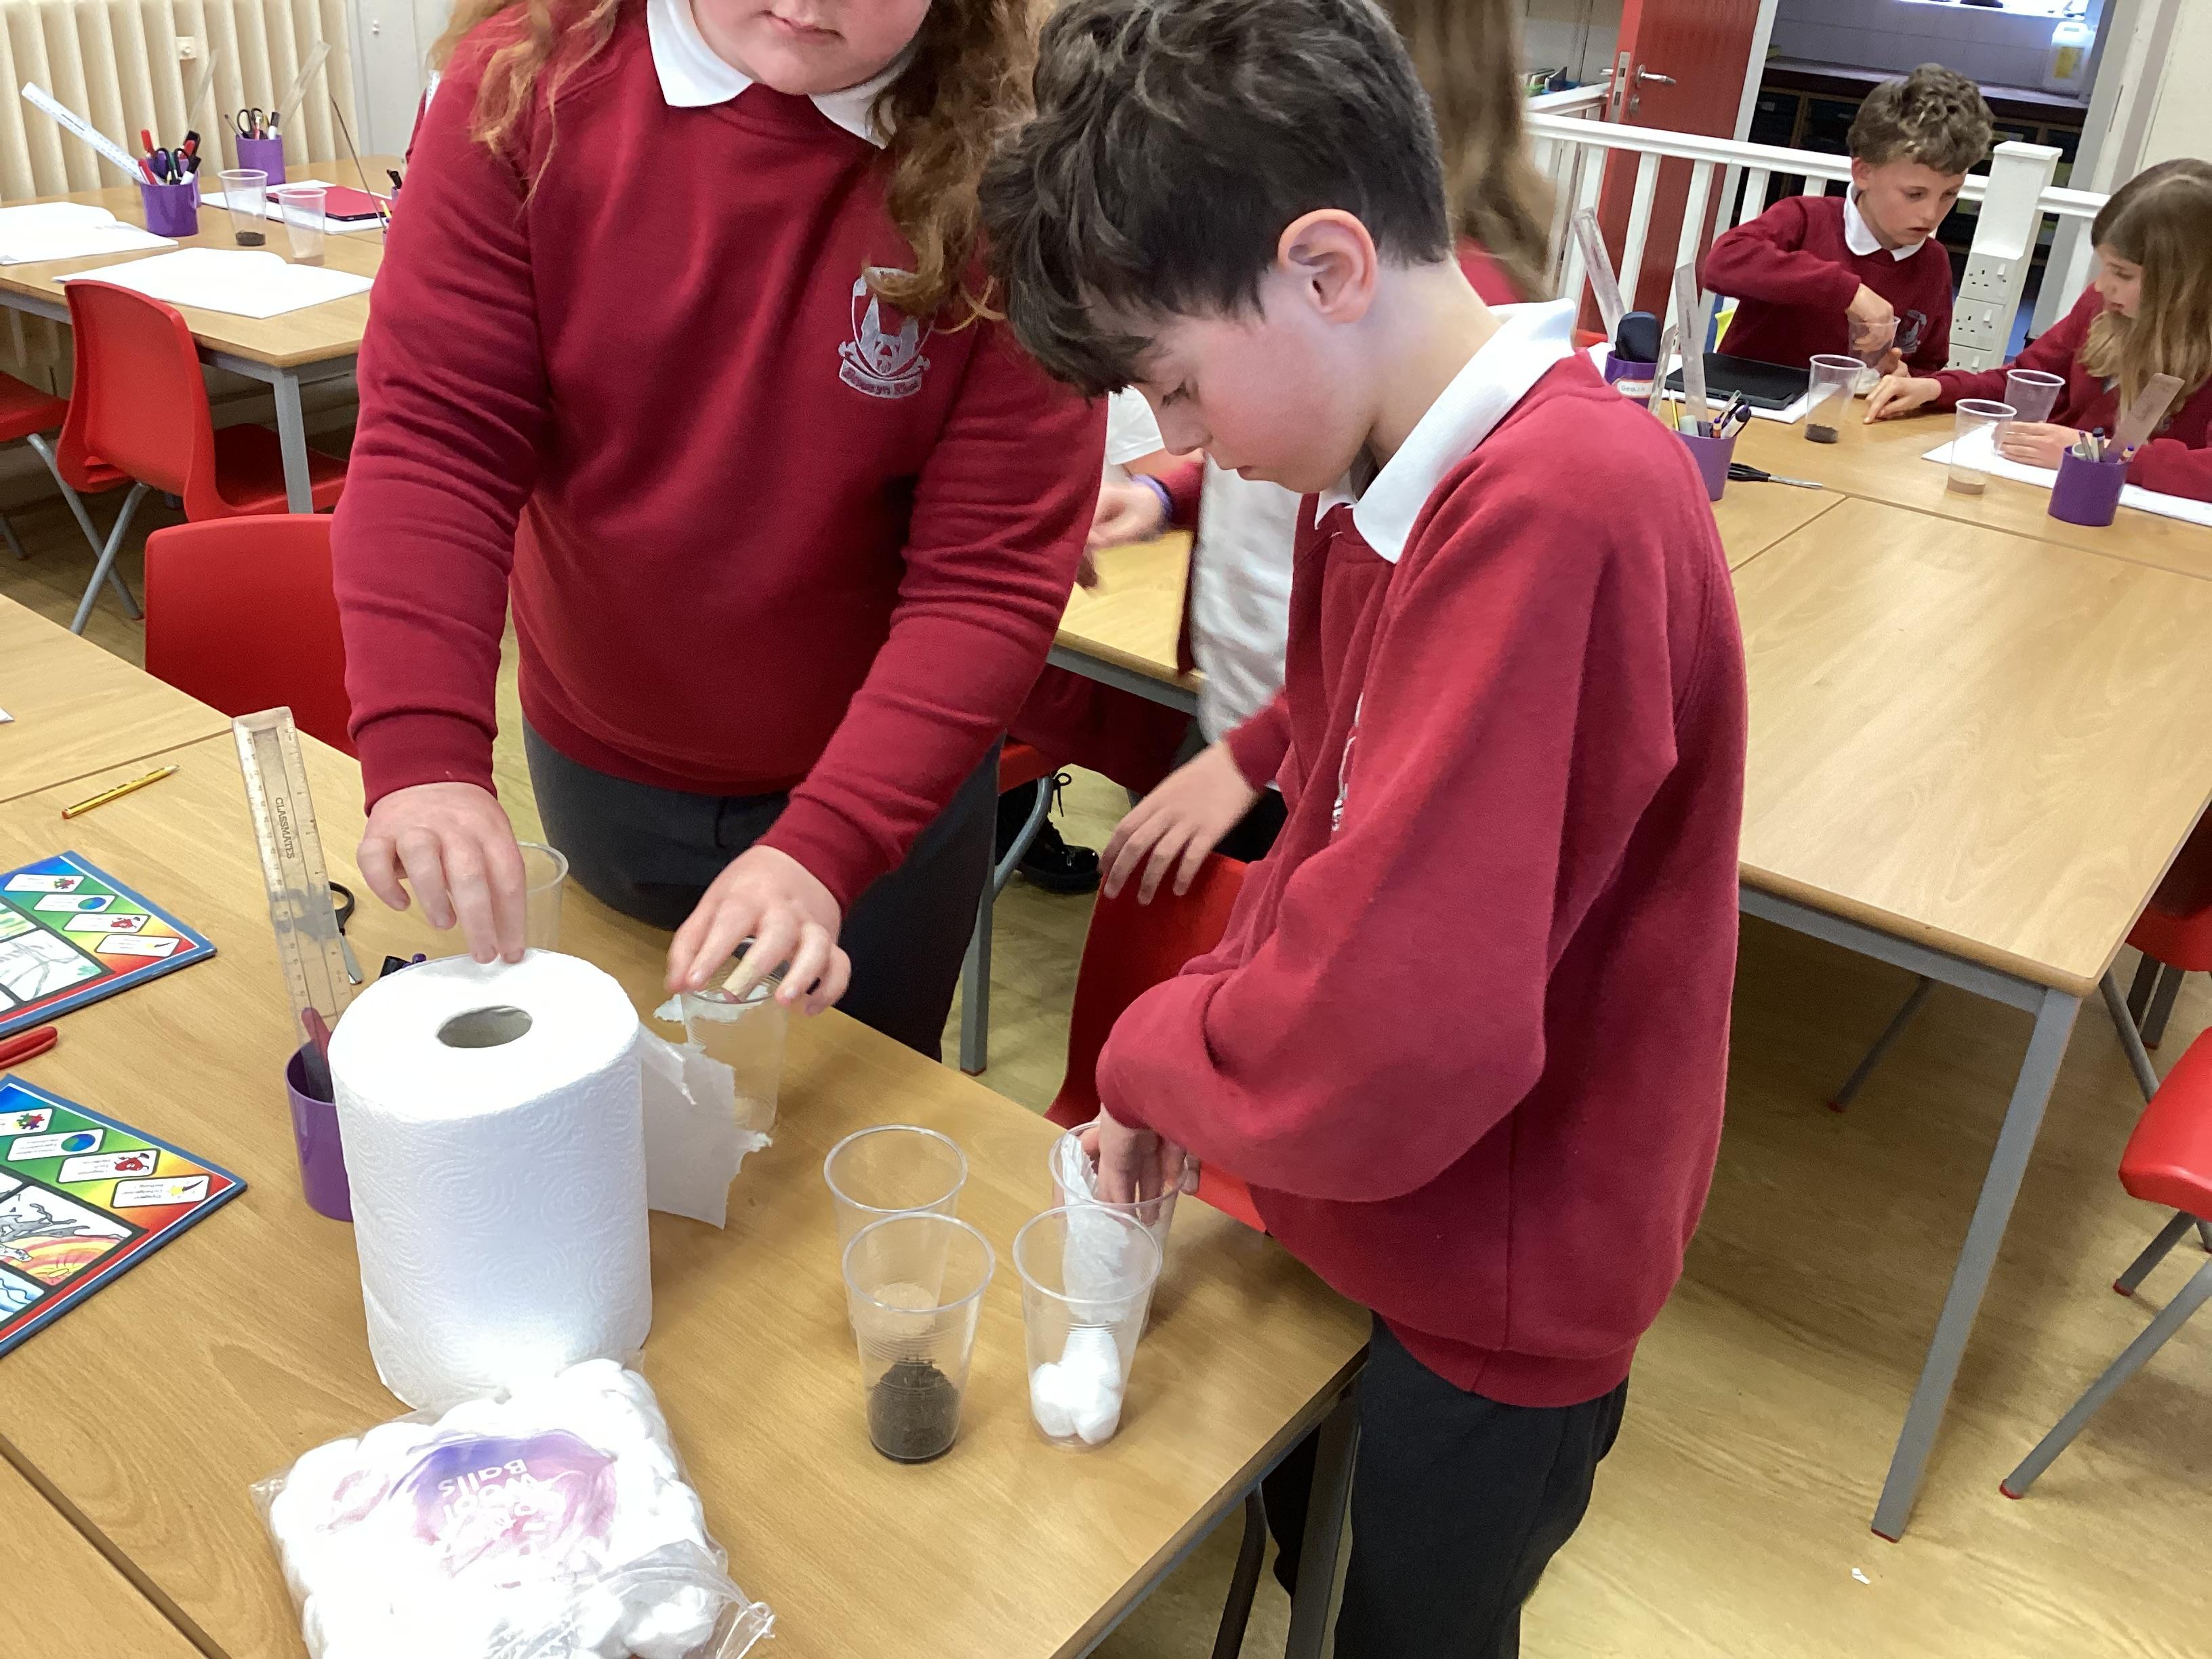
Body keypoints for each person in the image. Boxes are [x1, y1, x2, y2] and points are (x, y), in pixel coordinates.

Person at [979, 1, 1748, 1652]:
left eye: (1178, 386)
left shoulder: (1552, 513)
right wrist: (1211, 1051)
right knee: (1308, 1544)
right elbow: (1327, 850)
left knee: (1408, 1621)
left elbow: (1398, 1029)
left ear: (1326, 267)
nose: (1184, 444)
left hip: (1496, 1277)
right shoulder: (1390, 493)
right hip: (1386, 1214)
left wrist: (1150, 1059)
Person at [329, 0, 1101, 1054]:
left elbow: (987, 580)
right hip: (603, 750)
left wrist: (833, 840)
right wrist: (423, 748)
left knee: (849, 1096)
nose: (807, 4)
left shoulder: (1025, 171)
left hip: (889, 780)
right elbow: (436, 442)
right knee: (616, 1080)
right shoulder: (526, 85)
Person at [1087, 0, 1547, 895]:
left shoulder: (1430, 344)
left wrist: (1257, 750)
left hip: (1313, 749)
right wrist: (1167, 494)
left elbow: (1405, 632)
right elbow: (1276, 465)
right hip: (1263, 706)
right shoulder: (1318, 329)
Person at [1866, 157, 2212, 501]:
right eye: (2104, 266)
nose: (2101, 285)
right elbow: (2028, 382)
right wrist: (1935, 388)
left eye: (2122, 274)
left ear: (2186, 282)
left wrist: (2095, 452)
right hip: (2051, 498)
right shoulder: (2100, 307)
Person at [1704, 64, 1992, 375]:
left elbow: (1928, 363)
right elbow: (1720, 264)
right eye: (1914, 194)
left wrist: (1906, 378)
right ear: (1864, 172)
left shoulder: (1933, 263)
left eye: (1949, 195)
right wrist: (1848, 292)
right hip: (1750, 395)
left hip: (1852, 405)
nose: (1931, 214)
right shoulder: (1806, 218)